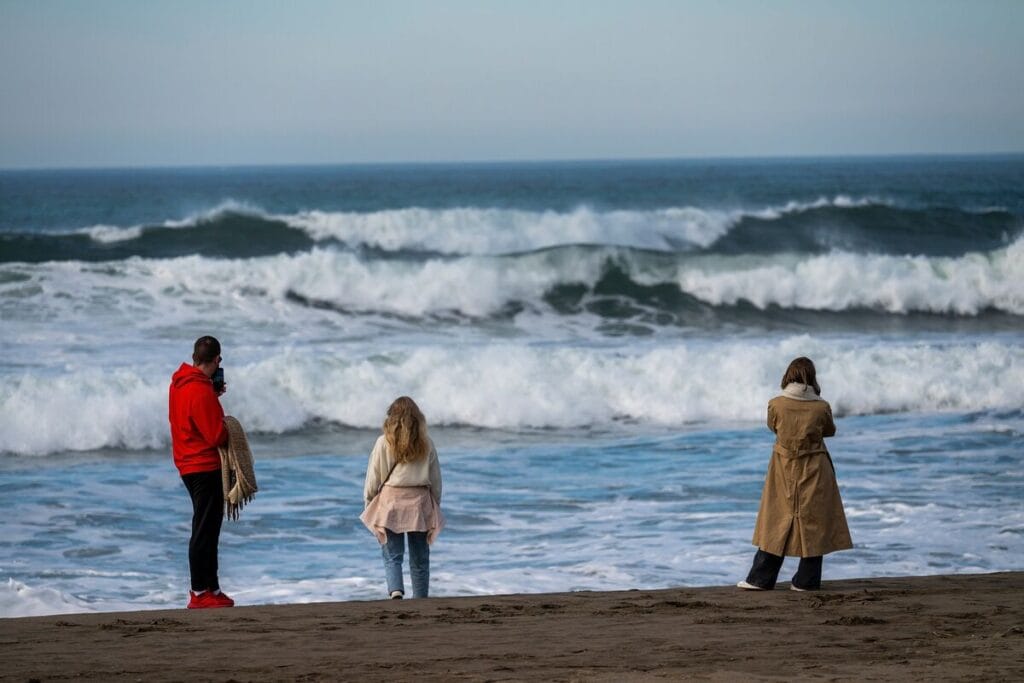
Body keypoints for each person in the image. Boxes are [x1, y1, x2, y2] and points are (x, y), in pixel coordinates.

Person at [738, 357, 852, 591]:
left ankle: (760, 579)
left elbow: (773, 427)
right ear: (812, 378)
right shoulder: (822, 407)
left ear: (788, 376)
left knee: (776, 519)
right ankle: (806, 581)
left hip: (783, 466)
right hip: (815, 465)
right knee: (814, 522)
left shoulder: (776, 404)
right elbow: (829, 431)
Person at [169, 335, 234, 609]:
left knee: (206, 527)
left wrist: (212, 396)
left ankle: (212, 588)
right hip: (204, 466)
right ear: (217, 359)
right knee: (205, 531)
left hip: (186, 463)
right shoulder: (200, 391)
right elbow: (216, 435)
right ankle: (199, 592)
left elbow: (190, 417)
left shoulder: (180, 384)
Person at [360, 396, 444, 599]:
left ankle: (396, 591)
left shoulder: (382, 442)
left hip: (391, 501)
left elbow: (373, 477)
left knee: (392, 554)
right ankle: (421, 598)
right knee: (420, 557)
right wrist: (435, 505)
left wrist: (369, 501)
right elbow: (436, 479)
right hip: (420, 501)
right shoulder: (426, 443)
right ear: (417, 419)